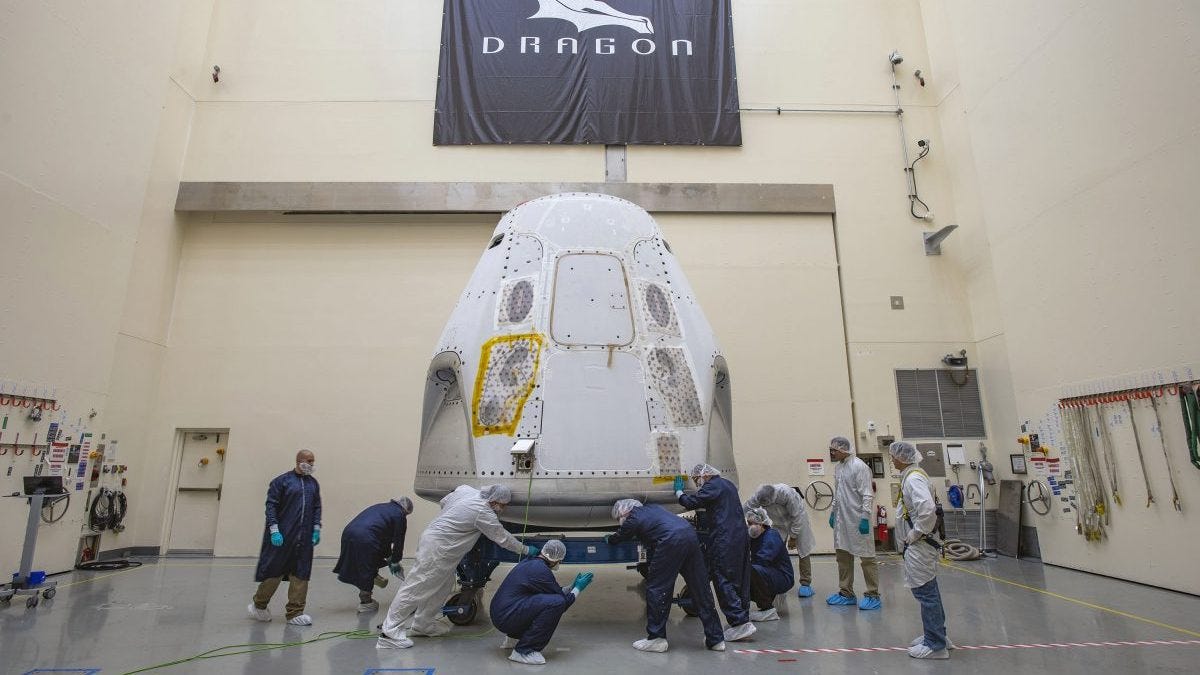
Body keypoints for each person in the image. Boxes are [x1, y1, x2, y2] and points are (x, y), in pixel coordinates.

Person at [377, 484, 538, 649]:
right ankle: (389, 632)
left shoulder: (465, 490)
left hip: (439, 544)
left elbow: (444, 501)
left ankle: (422, 625)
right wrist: (525, 549)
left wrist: (457, 519)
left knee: (442, 586)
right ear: (494, 500)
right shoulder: (482, 512)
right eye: (502, 505)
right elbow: (503, 538)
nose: (502, 509)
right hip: (439, 549)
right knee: (416, 587)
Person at [606, 499, 726, 653]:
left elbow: (619, 537)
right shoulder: (654, 507)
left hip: (670, 542)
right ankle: (716, 639)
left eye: (618, 517)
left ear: (624, 511)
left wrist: (609, 538)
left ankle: (657, 638)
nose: (619, 520)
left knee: (657, 589)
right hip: (689, 535)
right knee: (700, 588)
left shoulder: (633, 518)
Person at [676, 464, 756, 642]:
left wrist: (679, 493)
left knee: (723, 578)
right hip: (740, 537)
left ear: (705, 475)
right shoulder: (727, 484)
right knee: (740, 579)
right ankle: (743, 618)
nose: (698, 483)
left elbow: (692, 502)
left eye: (697, 479)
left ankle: (739, 622)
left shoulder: (713, 486)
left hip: (724, 539)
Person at [889, 441, 953, 659]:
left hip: (920, 544)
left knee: (925, 593)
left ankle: (936, 645)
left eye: (894, 456)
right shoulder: (912, 475)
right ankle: (938, 635)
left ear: (903, 457)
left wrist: (915, 534)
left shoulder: (913, 478)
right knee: (930, 590)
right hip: (920, 543)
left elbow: (927, 510)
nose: (892, 459)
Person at [490, 539, 594, 665]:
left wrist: (571, 586)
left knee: (547, 600)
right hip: (506, 617)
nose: (560, 563)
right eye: (560, 561)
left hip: (501, 613)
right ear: (555, 559)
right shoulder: (541, 571)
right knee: (556, 603)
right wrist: (578, 589)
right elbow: (561, 603)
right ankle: (524, 651)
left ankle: (513, 638)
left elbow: (552, 591)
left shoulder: (531, 562)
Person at [248, 449, 322, 626]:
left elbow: (317, 506)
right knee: (275, 572)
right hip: (282, 536)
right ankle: (259, 604)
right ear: (299, 461)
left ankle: (295, 612)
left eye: (313, 462)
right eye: (309, 461)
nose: (311, 464)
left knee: (301, 573)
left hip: (304, 538)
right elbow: (271, 506)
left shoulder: (313, 484)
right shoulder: (281, 482)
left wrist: (316, 527)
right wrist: (274, 529)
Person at [826, 436, 881, 610]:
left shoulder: (859, 467)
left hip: (857, 519)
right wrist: (833, 512)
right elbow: (838, 493)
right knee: (843, 557)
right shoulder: (839, 468)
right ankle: (846, 593)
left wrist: (865, 517)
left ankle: (873, 594)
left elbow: (867, 494)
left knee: (867, 558)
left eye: (834, 450)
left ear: (843, 449)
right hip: (843, 520)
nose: (832, 453)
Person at [333, 496, 414, 613]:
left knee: (366, 561)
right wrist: (395, 560)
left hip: (348, 533)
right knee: (368, 567)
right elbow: (398, 540)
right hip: (366, 537)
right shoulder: (399, 515)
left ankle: (374, 576)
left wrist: (390, 557)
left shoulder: (382, 507)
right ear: (406, 511)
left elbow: (383, 537)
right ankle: (366, 603)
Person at [744, 483, 817, 598]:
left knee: (803, 549)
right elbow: (747, 507)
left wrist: (793, 536)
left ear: (773, 498)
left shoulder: (786, 493)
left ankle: (805, 583)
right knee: (776, 549)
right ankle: (777, 577)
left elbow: (797, 516)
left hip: (797, 520)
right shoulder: (758, 496)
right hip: (778, 523)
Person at [745, 507, 794, 621]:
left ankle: (767, 609)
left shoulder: (771, 536)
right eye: (749, 523)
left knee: (751, 571)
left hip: (783, 577)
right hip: (770, 573)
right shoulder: (754, 537)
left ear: (762, 523)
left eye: (753, 523)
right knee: (747, 572)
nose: (750, 526)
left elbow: (762, 560)